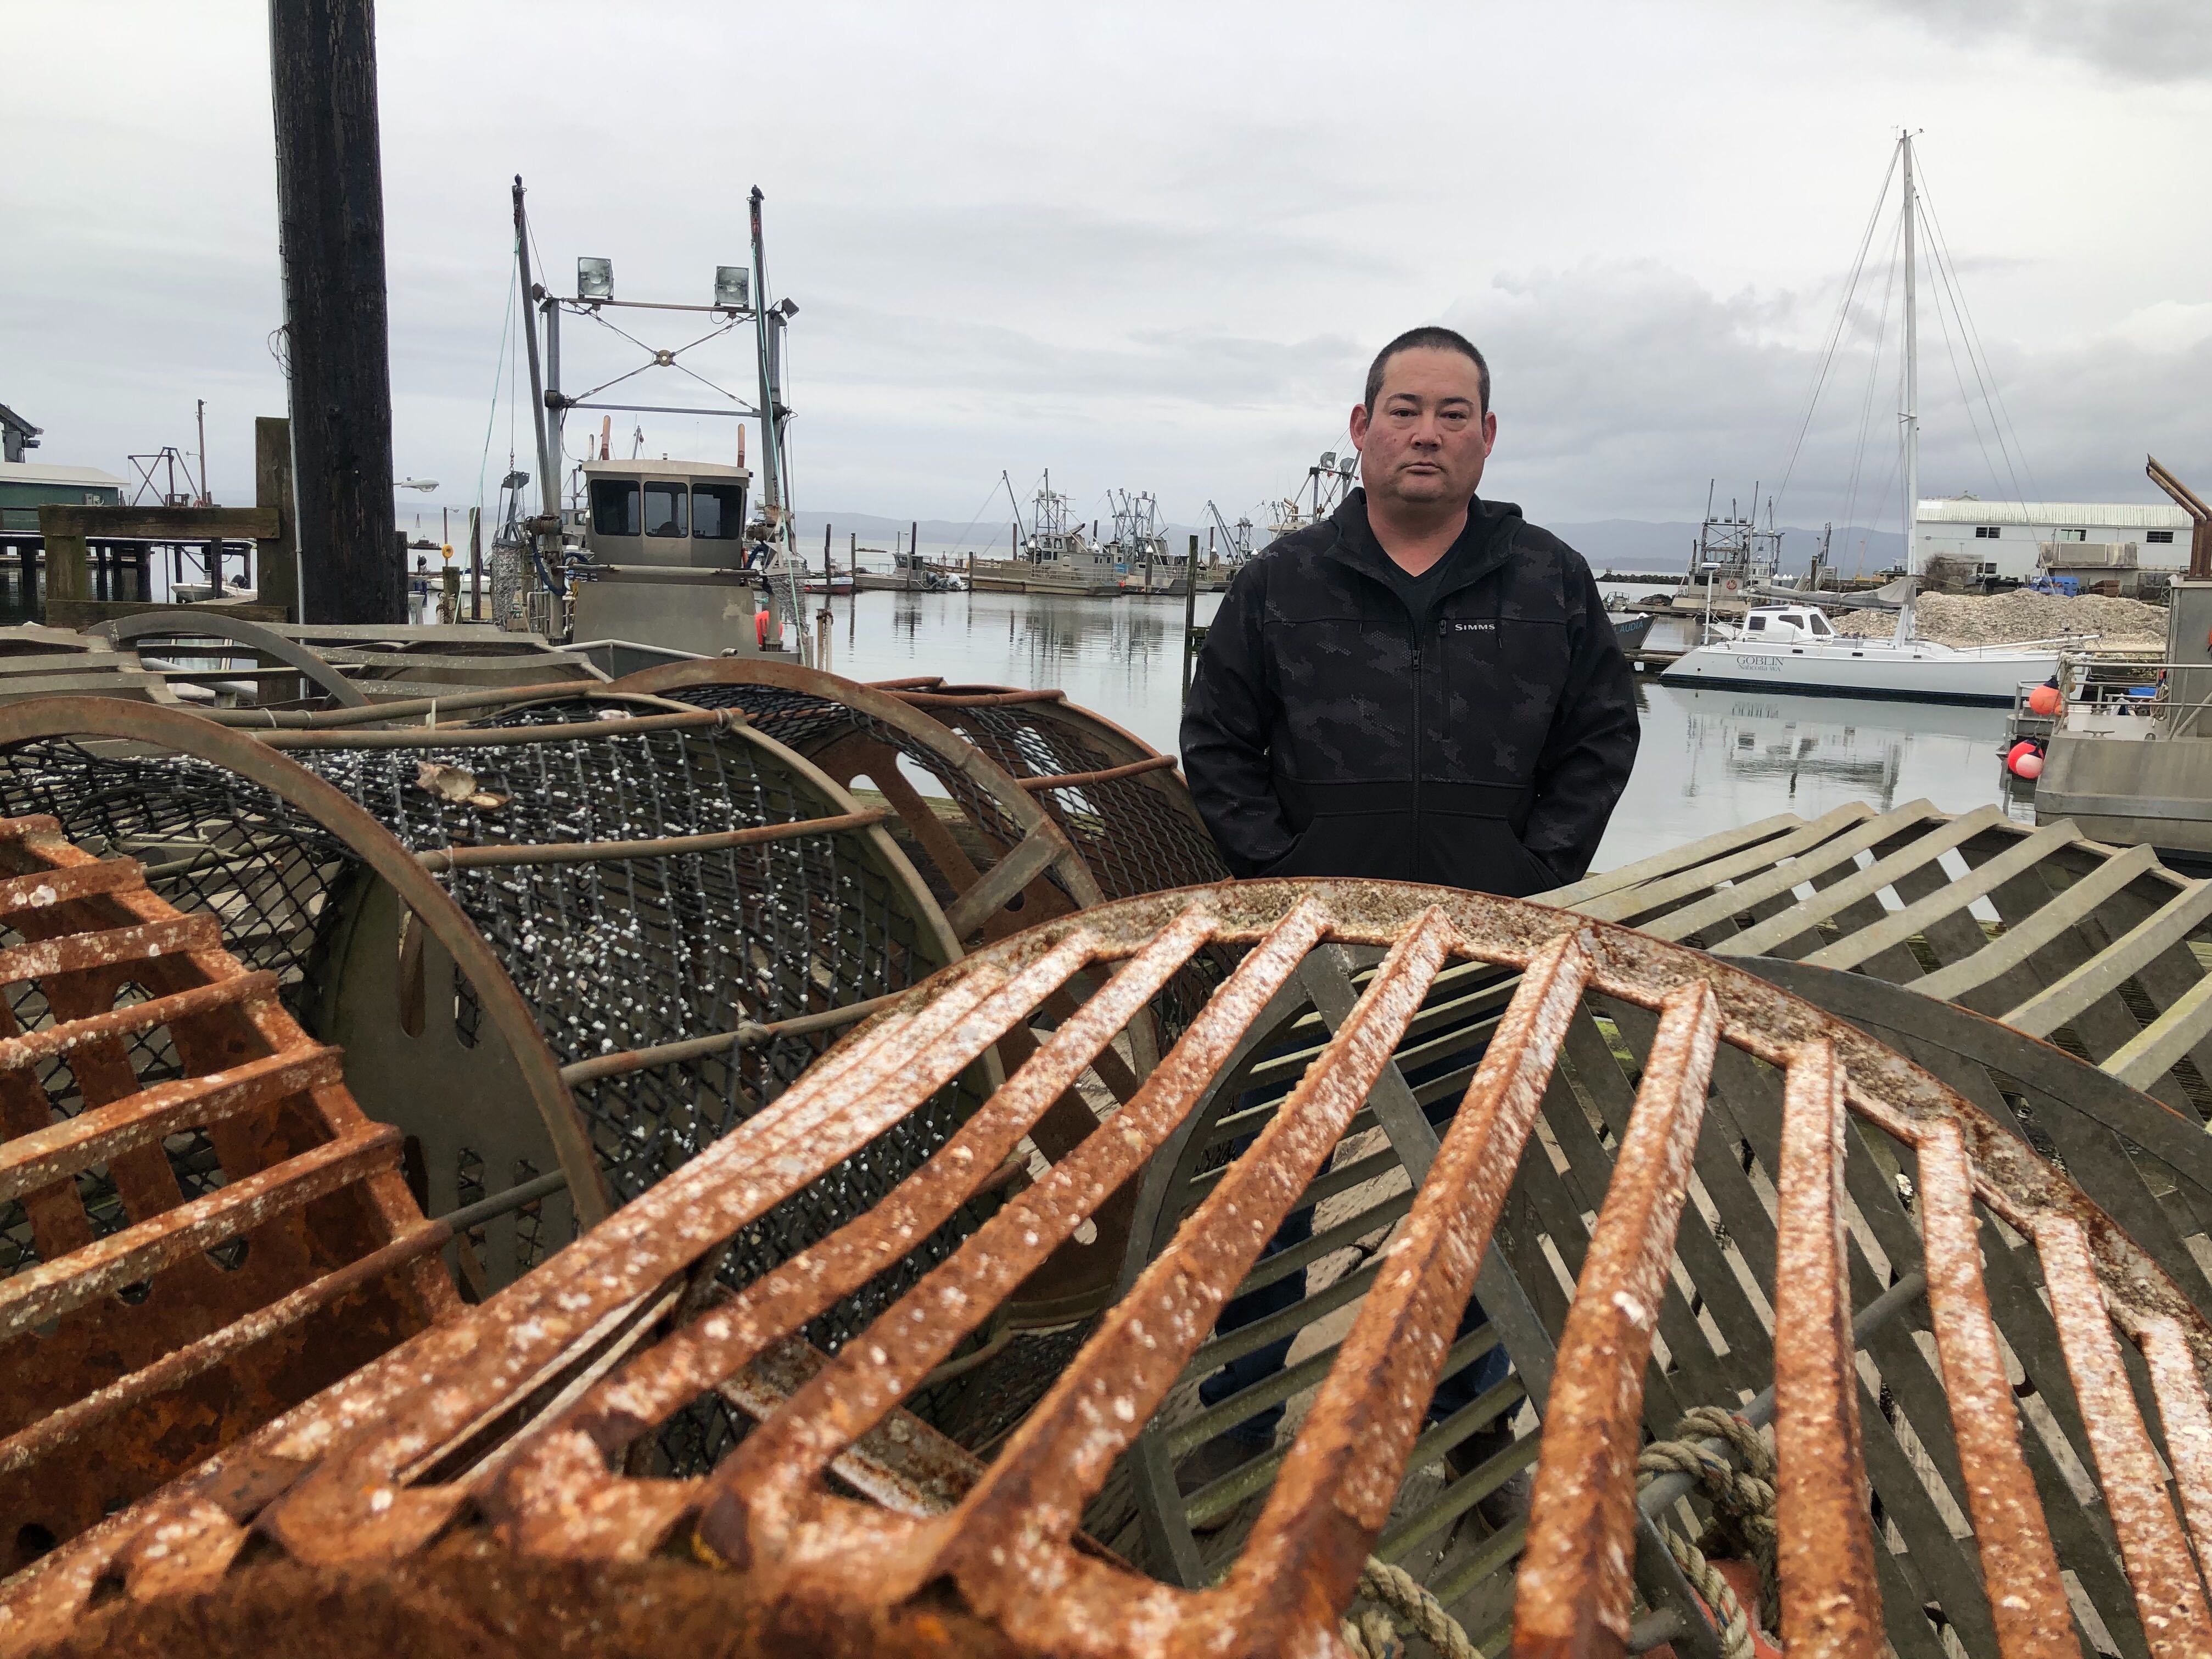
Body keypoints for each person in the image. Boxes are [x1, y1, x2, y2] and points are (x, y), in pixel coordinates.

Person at [1176, 324, 1639, 1527]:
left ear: (1486, 437)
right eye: (1403, 409)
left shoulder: (1547, 581)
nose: (1425, 433)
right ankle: (1236, 1425)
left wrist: (1529, 872)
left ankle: (1471, 1435)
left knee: (1470, 1199)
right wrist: (1283, 873)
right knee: (1271, 1190)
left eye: (1451, 413)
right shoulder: (1280, 582)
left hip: (1483, 956)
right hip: (1308, 953)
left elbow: (1600, 735)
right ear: (1360, 428)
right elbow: (1216, 741)